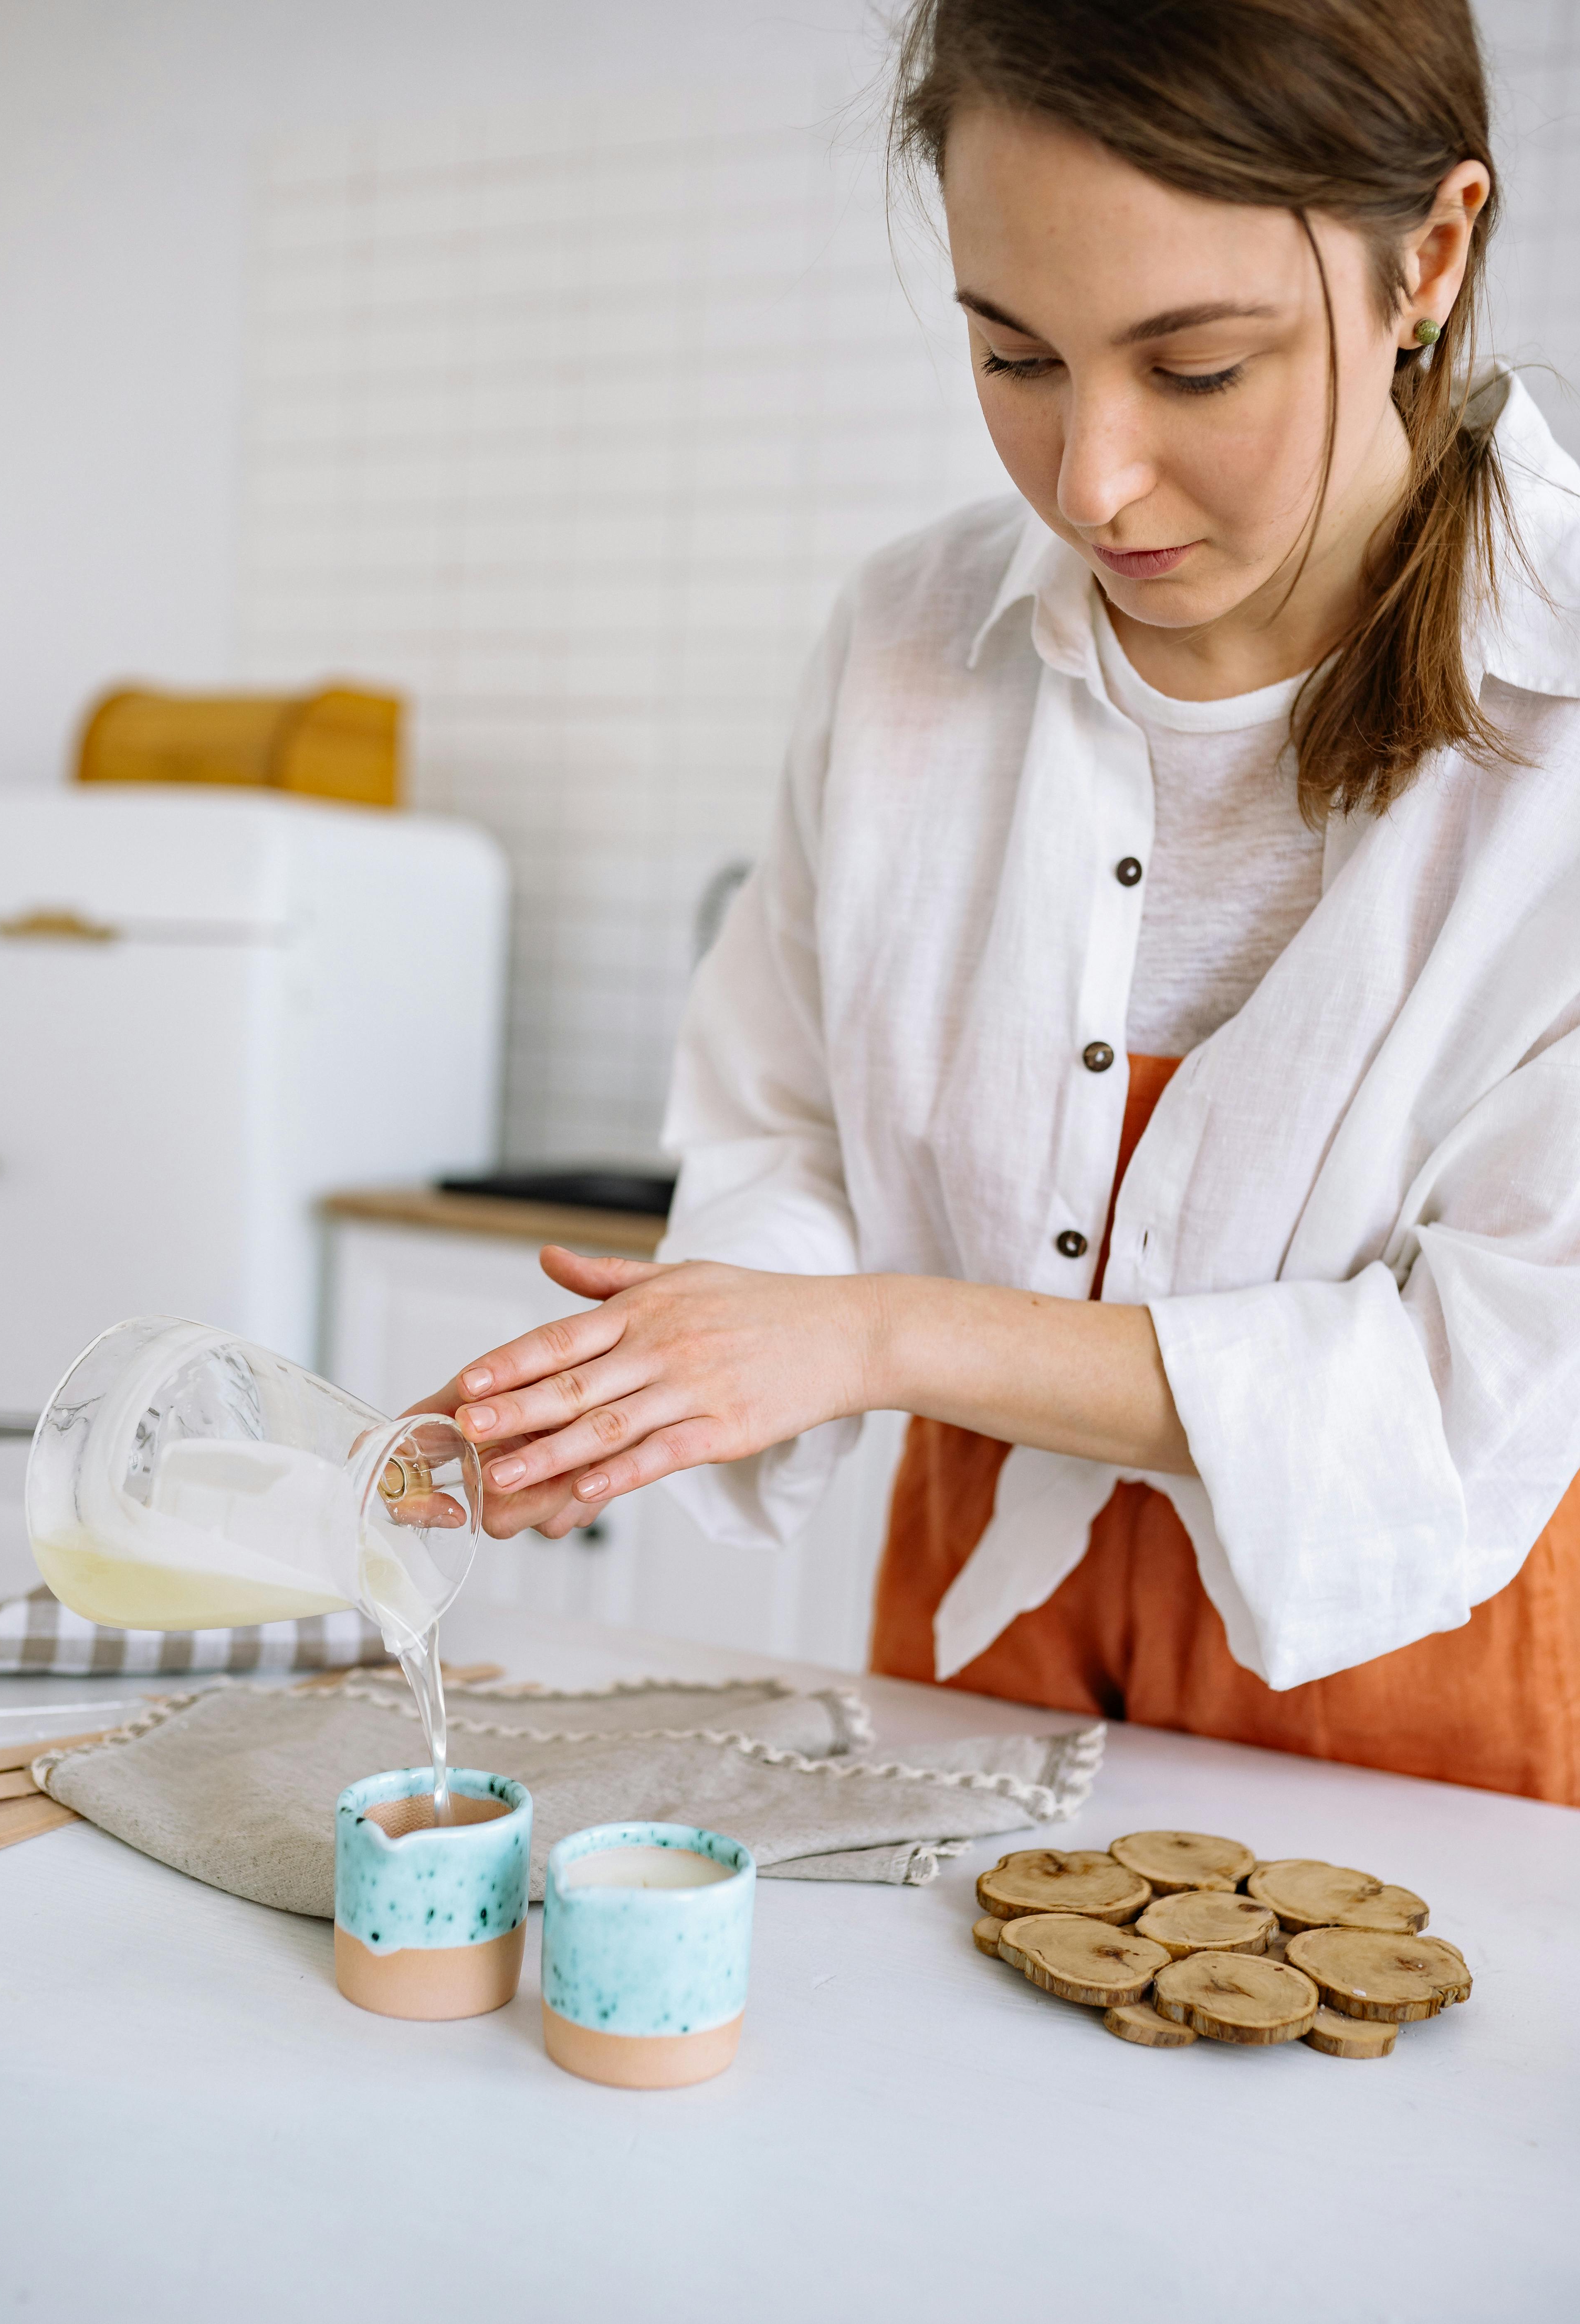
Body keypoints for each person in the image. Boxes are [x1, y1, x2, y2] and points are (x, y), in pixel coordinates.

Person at [414, 0, 1580, 1804]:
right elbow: (788, 1133)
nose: (1091, 479)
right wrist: (682, 1369)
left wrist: (874, 1335)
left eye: (1196, 368)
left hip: (1413, 1658)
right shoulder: (905, 640)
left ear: (1426, 257)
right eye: (1014, 358)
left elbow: (1464, 1379)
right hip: (976, 1639)